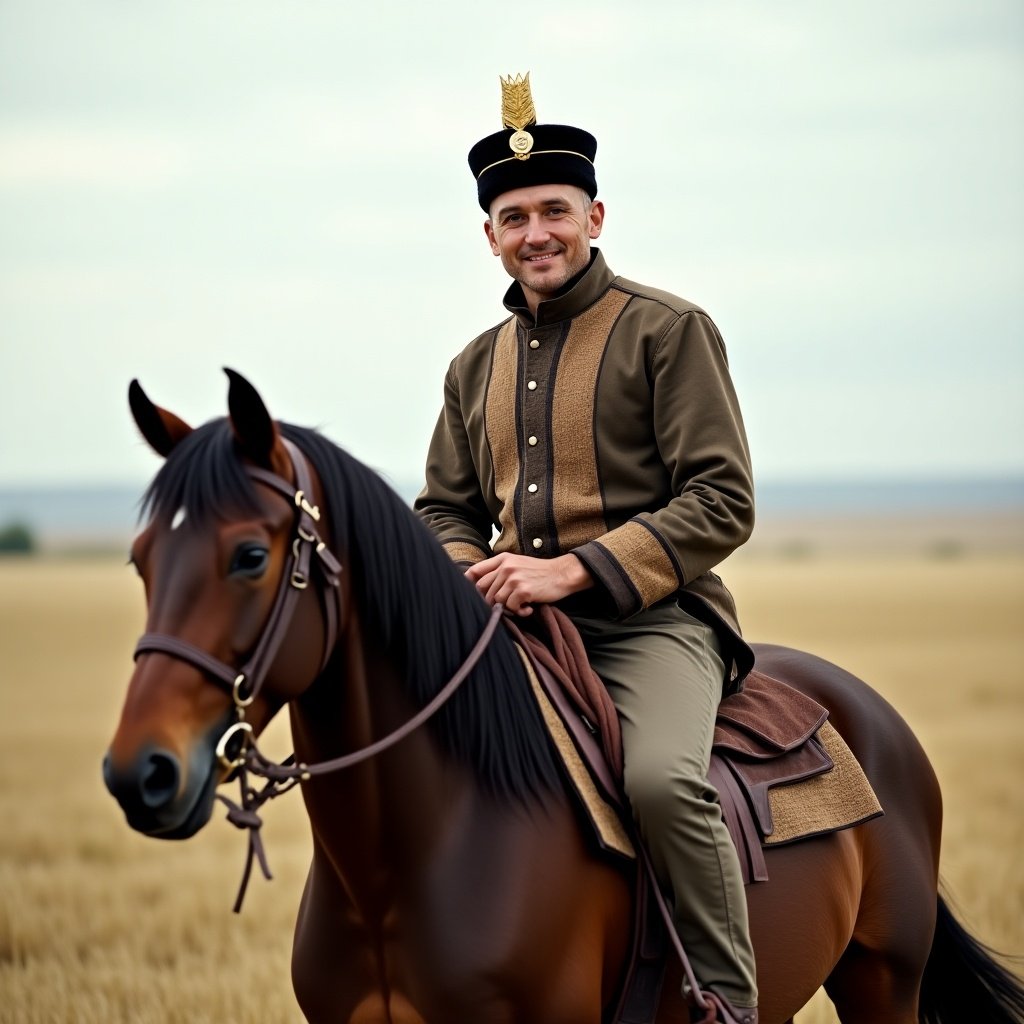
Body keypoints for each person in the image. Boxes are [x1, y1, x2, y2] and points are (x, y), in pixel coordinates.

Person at [414, 72, 759, 1024]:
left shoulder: (669, 330)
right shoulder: (471, 365)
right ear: (490, 234)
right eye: (514, 216)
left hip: (652, 624)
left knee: (658, 781)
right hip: (507, 626)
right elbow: (441, 509)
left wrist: (574, 570)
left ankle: (724, 998)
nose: (537, 233)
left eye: (555, 211)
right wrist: (469, 575)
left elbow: (724, 499)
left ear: (594, 215)